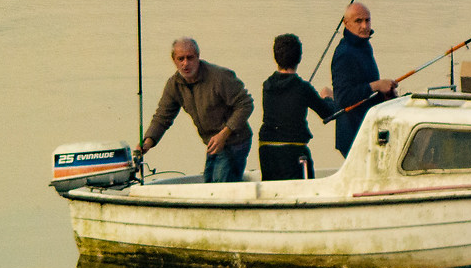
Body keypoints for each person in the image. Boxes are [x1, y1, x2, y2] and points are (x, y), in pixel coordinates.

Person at [139, 37, 253, 183]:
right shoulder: (175, 85)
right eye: (181, 59)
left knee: (220, 186)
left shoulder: (219, 77)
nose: (185, 63)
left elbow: (245, 104)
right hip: (213, 143)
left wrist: (224, 134)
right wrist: (148, 141)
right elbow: (162, 117)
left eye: (190, 58)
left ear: (198, 57)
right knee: (208, 183)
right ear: (174, 60)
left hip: (235, 140)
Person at [257, 33, 338, 180]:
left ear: (276, 57)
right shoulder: (302, 88)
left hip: (266, 149)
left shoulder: (267, 85)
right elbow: (328, 113)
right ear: (299, 57)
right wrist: (328, 97)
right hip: (293, 151)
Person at [330, 2, 398, 157]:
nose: (364, 26)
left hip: (368, 128)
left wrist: (384, 93)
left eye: (367, 20)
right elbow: (343, 97)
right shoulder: (344, 53)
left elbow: (365, 88)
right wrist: (376, 85)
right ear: (346, 24)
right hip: (352, 133)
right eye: (358, 21)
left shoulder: (364, 46)